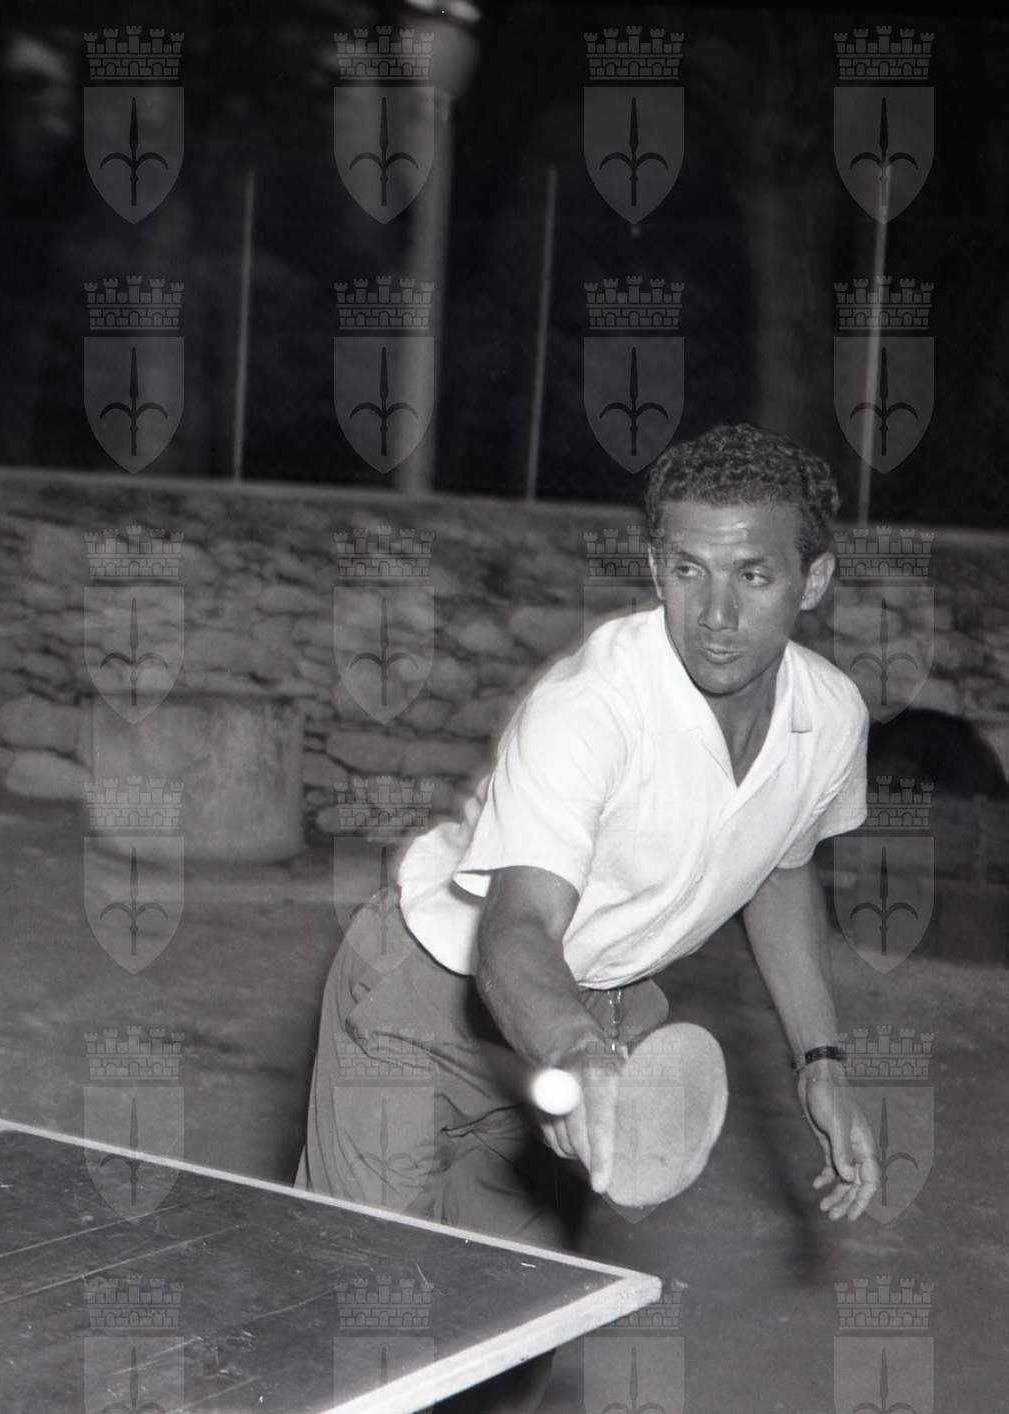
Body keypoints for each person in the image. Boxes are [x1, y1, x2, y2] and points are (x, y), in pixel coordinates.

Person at [299, 423, 880, 1411]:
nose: (715, 615)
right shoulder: (590, 708)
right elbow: (516, 927)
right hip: (424, 1001)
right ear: (655, 567)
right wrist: (575, 1055)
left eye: (752, 575)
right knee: (356, 1327)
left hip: (595, 1016)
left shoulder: (828, 720)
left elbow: (781, 868)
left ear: (812, 578)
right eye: (687, 570)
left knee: (510, 1329)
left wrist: (819, 1062)